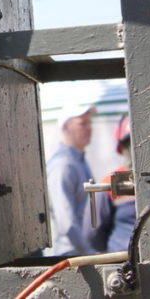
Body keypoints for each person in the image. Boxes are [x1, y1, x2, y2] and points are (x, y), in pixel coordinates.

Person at [46, 103, 97, 256]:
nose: (89, 128)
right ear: (66, 127)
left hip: (78, 253)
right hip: (69, 256)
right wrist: (88, 253)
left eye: (89, 123)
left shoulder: (78, 160)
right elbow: (66, 222)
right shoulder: (63, 165)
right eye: (83, 123)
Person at [90, 113, 136, 253]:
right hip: (124, 262)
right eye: (129, 144)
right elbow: (93, 234)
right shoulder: (110, 184)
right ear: (122, 148)